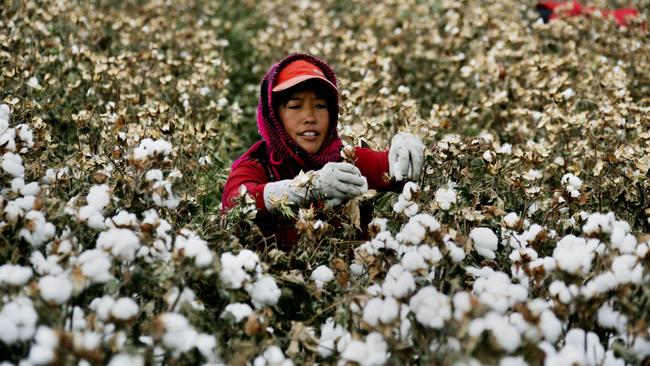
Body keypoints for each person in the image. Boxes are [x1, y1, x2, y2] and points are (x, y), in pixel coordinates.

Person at [221, 53, 424, 249]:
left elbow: (388, 166)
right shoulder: (259, 165)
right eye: (295, 106)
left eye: (320, 105)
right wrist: (310, 187)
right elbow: (235, 201)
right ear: (274, 115)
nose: (310, 116)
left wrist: (405, 147)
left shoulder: (346, 160)